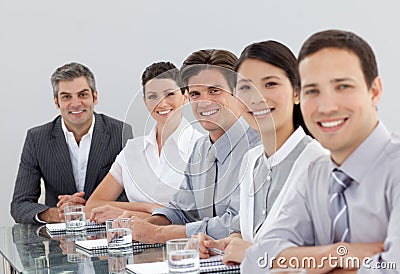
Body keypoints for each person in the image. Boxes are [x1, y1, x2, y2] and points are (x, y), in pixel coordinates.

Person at [242, 30, 400, 273]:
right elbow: (256, 260)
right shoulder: (317, 173)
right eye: (313, 91)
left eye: (343, 86)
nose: (326, 107)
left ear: (375, 91)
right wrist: (337, 253)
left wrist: (300, 265)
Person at [197, 41, 327, 264]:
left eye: (270, 84)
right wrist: (219, 246)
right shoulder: (252, 161)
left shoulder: (320, 165)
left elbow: (340, 259)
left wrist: (253, 255)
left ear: (297, 92)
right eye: (246, 87)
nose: (257, 97)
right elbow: (250, 235)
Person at [125, 49, 260, 243]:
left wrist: (158, 234)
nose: (204, 102)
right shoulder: (200, 148)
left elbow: (237, 224)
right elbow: (181, 209)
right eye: (196, 94)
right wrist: (145, 224)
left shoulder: (259, 149)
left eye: (214, 91)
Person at [10, 62, 133, 224]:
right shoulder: (37, 138)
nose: (75, 104)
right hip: (60, 239)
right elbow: (20, 204)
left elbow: (131, 196)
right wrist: (57, 214)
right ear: (56, 102)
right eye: (66, 97)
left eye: (82, 95)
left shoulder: (120, 132)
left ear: (94, 97)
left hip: (107, 232)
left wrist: (88, 208)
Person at [85, 61, 203, 223]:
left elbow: (198, 216)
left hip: (181, 244)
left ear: (185, 97)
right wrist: (148, 207)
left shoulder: (201, 147)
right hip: (129, 242)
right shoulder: (132, 149)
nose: (162, 103)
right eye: (153, 96)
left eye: (169, 94)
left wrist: (129, 213)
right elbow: (92, 206)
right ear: (145, 102)